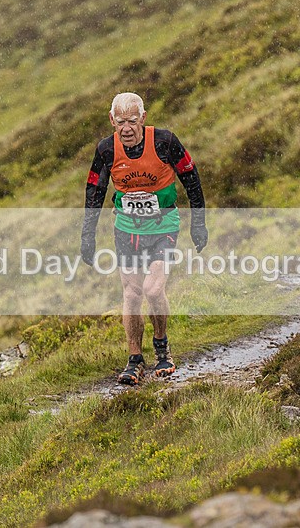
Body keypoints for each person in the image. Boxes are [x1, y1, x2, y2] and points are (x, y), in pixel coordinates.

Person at [81, 92, 208, 385]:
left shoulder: (165, 142)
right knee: (132, 293)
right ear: (112, 120)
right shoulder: (106, 150)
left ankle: (162, 346)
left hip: (164, 226)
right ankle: (135, 359)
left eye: (133, 121)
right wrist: (87, 236)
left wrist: (198, 224)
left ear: (143, 118)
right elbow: (94, 191)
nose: (127, 128)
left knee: (153, 290)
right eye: (121, 122)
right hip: (127, 229)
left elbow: (191, 179)